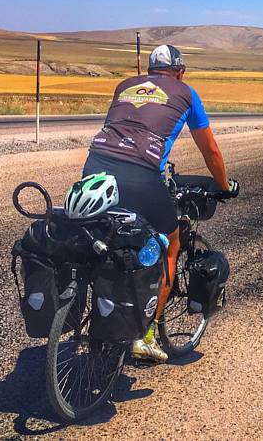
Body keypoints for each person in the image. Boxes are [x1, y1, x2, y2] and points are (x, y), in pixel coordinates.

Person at [81, 44, 238, 363]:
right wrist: (224, 185)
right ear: (180, 71)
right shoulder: (186, 93)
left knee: (103, 236)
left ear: (149, 70)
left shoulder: (124, 86)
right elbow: (210, 151)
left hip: (94, 169)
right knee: (170, 246)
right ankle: (146, 335)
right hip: (140, 177)